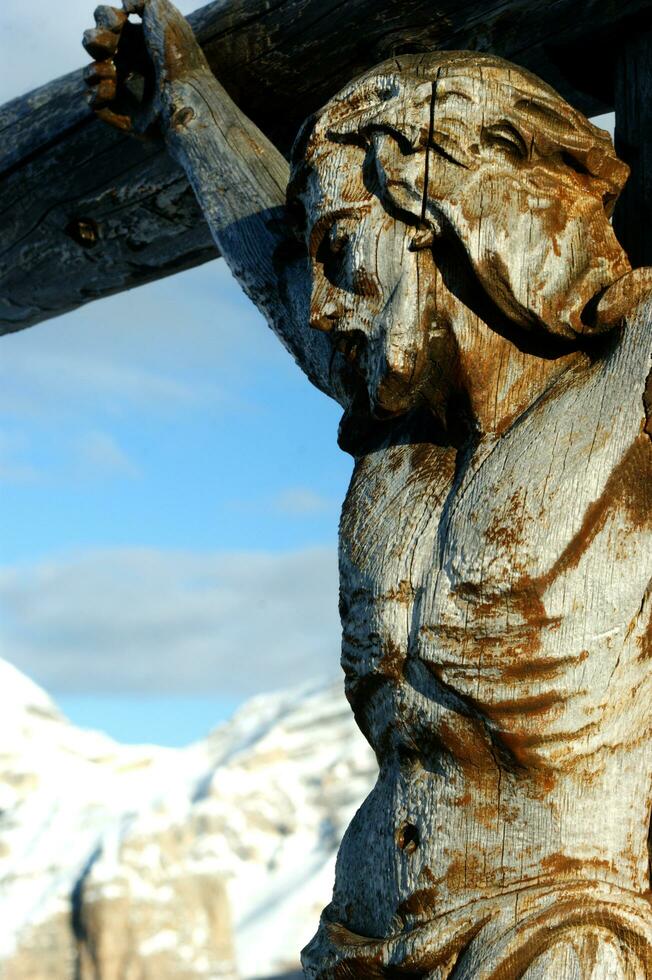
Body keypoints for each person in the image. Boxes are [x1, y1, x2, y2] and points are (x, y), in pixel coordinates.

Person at [84, 3, 652, 975]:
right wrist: (183, 100)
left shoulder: (627, 384)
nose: (317, 301)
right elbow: (266, 248)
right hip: (358, 929)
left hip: (562, 931)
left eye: (340, 251)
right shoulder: (394, 434)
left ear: (451, 225)